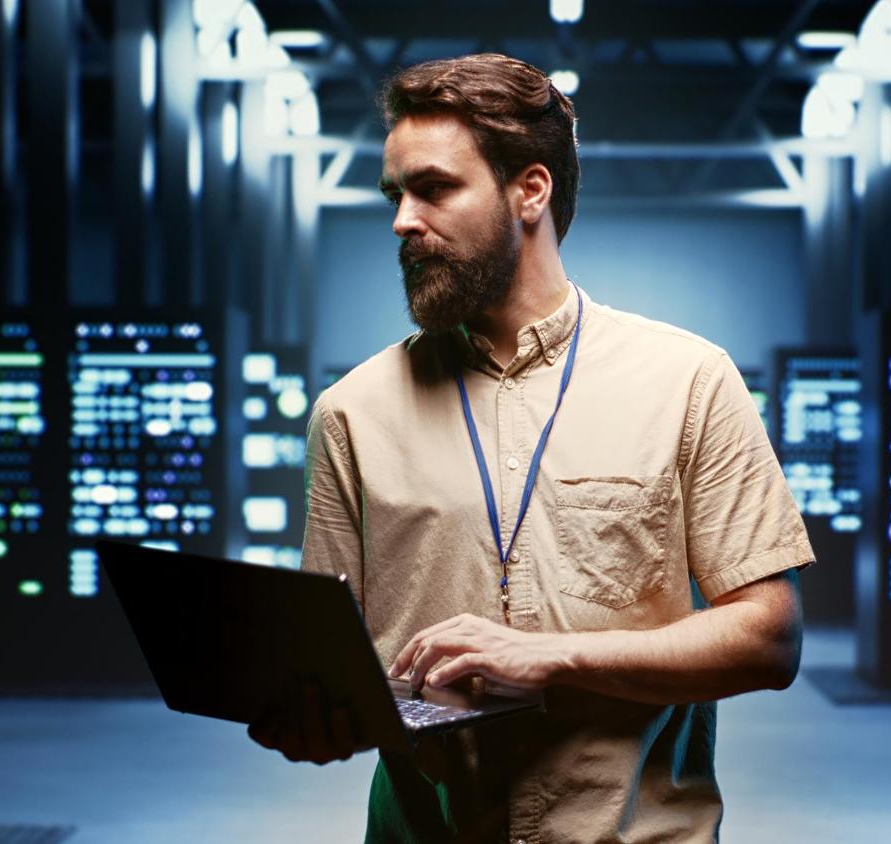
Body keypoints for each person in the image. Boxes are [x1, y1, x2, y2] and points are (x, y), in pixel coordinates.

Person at [248, 53, 814, 843]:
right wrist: (314, 717)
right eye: (396, 194)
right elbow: (335, 670)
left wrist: (552, 658)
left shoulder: (689, 381)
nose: (402, 220)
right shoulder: (351, 413)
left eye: (434, 188)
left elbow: (769, 637)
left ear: (530, 191)